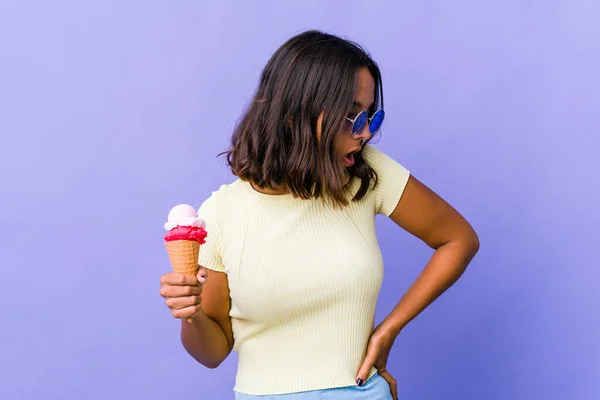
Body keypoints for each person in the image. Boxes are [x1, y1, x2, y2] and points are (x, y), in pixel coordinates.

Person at [159, 30, 479, 400]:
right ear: (296, 113)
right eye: (352, 117)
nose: (365, 135)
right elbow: (213, 352)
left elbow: (459, 239)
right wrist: (190, 314)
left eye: (370, 117)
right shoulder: (222, 213)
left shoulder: (366, 175)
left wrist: (388, 330)